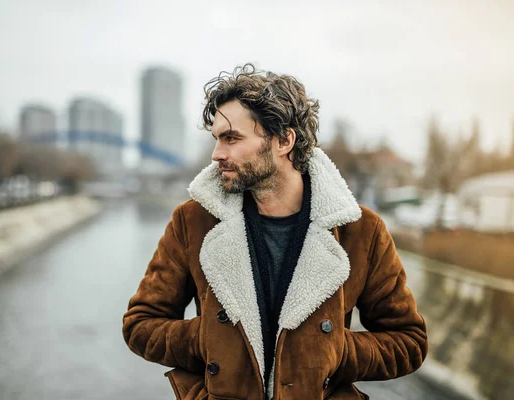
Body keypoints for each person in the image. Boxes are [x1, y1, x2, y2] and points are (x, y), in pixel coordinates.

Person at [123, 64, 428, 400]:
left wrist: (334, 350)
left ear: (284, 140)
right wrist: (207, 340)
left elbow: (408, 341)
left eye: (232, 138)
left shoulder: (360, 231)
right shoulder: (193, 221)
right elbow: (140, 324)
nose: (217, 154)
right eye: (216, 139)